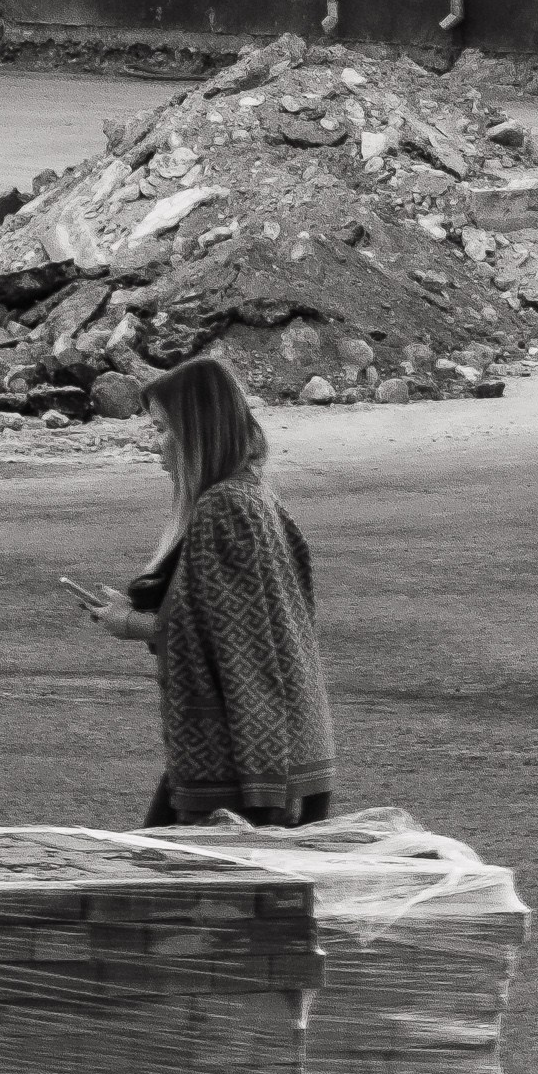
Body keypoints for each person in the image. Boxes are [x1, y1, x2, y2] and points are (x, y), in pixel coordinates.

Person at [80, 354, 336, 828]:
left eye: (161, 429)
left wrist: (132, 623)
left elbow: (236, 643)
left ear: (195, 431)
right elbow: (240, 622)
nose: (157, 448)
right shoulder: (256, 496)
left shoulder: (224, 507)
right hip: (278, 738)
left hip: (243, 753)